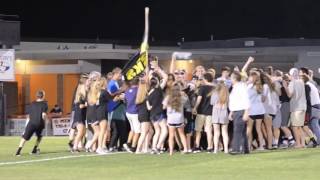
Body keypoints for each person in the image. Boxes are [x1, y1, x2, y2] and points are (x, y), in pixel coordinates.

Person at [15, 90, 48, 156]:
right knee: (39, 137)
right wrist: (46, 121)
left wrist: (27, 124)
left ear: (37, 96)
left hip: (31, 123)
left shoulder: (32, 103)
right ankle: (34, 150)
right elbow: (43, 115)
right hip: (39, 123)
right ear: (43, 96)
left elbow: (29, 115)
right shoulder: (44, 104)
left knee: (24, 137)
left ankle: (18, 152)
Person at [283, 68, 306, 148]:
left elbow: (289, 95)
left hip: (296, 107)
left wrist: (285, 86)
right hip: (303, 106)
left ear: (291, 75)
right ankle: (302, 143)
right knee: (299, 127)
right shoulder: (301, 81)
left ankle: (298, 144)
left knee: (295, 127)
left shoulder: (292, 83)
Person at [163, 83, 189, 155]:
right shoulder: (182, 98)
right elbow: (187, 100)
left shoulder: (168, 97)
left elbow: (164, 107)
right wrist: (183, 93)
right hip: (179, 118)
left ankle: (171, 151)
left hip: (171, 118)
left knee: (171, 135)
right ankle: (186, 149)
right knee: (181, 134)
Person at [147, 66, 168, 154]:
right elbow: (166, 77)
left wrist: (150, 73)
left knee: (157, 131)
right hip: (159, 113)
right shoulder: (158, 90)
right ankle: (158, 146)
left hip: (152, 115)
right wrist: (159, 70)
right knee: (164, 130)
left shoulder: (148, 94)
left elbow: (149, 107)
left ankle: (153, 148)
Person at [228, 71, 250, 155]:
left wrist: (246, 112)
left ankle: (236, 149)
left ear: (234, 78)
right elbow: (235, 101)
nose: (230, 79)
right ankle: (245, 149)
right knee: (242, 131)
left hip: (241, 111)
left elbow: (246, 99)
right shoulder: (236, 87)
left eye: (231, 77)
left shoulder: (241, 86)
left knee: (237, 131)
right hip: (237, 110)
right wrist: (231, 112)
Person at [192, 72, 214, 153]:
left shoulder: (202, 88)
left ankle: (197, 146)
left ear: (205, 79)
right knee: (209, 130)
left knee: (198, 130)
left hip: (201, 111)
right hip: (211, 112)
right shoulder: (215, 88)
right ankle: (210, 147)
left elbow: (199, 99)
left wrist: (195, 108)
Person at [247, 71, 265, 150]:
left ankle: (249, 146)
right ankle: (261, 146)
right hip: (260, 110)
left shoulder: (250, 87)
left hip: (252, 110)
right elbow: (263, 99)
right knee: (258, 129)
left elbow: (247, 98)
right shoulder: (261, 86)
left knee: (249, 129)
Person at [210, 82, 229, 154]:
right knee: (224, 132)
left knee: (216, 132)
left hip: (216, 113)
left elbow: (212, 103)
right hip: (224, 113)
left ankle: (215, 149)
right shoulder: (226, 94)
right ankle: (226, 149)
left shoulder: (215, 93)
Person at [124, 77, 141, 152]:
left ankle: (128, 143)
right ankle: (133, 147)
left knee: (132, 129)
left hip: (128, 112)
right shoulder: (137, 90)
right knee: (137, 131)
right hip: (135, 112)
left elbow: (125, 100)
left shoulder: (127, 91)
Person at [135, 76, 151, 154]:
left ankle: (145, 148)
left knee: (147, 131)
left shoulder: (138, 96)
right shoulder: (146, 96)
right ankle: (138, 149)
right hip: (145, 115)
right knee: (144, 133)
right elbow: (148, 108)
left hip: (140, 115)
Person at [71, 78, 87, 153]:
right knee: (80, 132)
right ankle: (74, 147)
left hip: (81, 115)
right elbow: (81, 106)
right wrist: (86, 105)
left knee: (82, 132)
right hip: (79, 115)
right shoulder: (81, 95)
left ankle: (76, 145)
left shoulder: (82, 95)